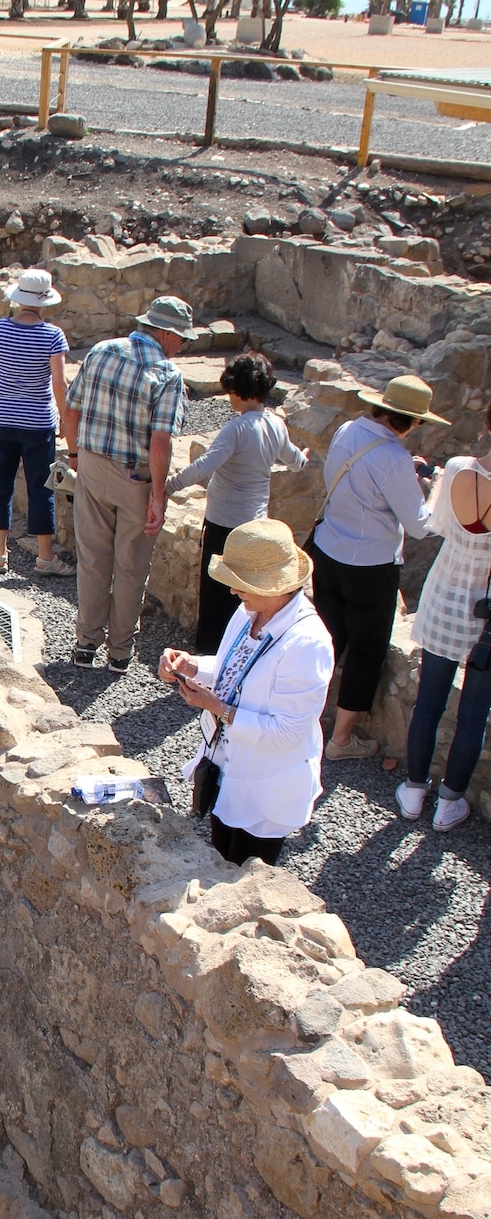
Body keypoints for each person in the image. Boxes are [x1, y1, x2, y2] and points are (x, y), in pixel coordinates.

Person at [160, 518, 335, 867]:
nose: (232, 592)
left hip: (265, 788)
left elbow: (287, 733)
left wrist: (219, 708)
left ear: (274, 586)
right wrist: (193, 666)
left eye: (241, 584)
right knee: (219, 855)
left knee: (243, 873)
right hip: (227, 766)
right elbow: (232, 667)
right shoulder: (247, 610)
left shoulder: (309, 644)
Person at [308, 373, 447, 762]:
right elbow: (420, 525)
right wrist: (433, 487)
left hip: (329, 548)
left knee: (327, 640)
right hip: (370, 565)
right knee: (367, 650)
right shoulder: (395, 459)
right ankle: (341, 739)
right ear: (411, 421)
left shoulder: (349, 431)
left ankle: (304, 716)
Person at [62, 294, 192, 673]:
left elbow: (71, 410)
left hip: (91, 464)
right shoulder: (167, 374)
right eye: (182, 338)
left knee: (93, 559)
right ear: (167, 334)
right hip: (134, 475)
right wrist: (157, 497)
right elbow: (160, 440)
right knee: (131, 566)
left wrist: (74, 456)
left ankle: (86, 644)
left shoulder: (102, 351)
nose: (183, 346)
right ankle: (119, 652)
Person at [166, 351, 308, 653]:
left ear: (237, 389)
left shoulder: (237, 429)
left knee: (217, 594)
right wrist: (305, 457)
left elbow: (205, 465)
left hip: (224, 523)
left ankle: (209, 654)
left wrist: (171, 485)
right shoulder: (275, 425)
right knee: (246, 594)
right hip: (255, 522)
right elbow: (295, 461)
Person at [394, 403, 491, 833]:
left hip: (445, 592)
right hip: (485, 608)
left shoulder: (456, 467)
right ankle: (448, 803)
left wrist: (433, 485)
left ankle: (415, 792)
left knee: (429, 701)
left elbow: (434, 523)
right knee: (474, 712)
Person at [0, 267, 73, 578]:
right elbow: (59, 383)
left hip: (0, 418)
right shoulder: (52, 335)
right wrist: (62, 414)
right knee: (41, 488)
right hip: (37, 423)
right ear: (44, 301)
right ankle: (44, 556)